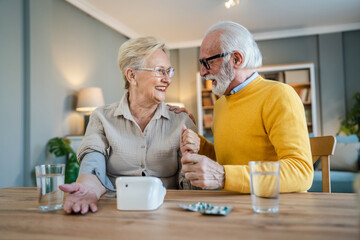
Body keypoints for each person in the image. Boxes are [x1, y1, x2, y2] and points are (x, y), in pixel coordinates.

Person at [60, 37, 199, 214]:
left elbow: (194, 192)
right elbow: (92, 161)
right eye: (159, 71)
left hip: (167, 213)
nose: (167, 79)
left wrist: (193, 161)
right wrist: (88, 188)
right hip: (116, 211)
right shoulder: (101, 117)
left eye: (169, 71)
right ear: (132, 75)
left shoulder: (182, 121)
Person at [180, 21, 313, 193]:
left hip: (273, 210)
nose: (203, 72)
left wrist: (223, 176)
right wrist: (199, 143)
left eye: (208, 62)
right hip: (231, 208)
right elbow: (228, 161)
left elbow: (300, 172)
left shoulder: (279, 95)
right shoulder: (220, 104)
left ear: (236, 59)